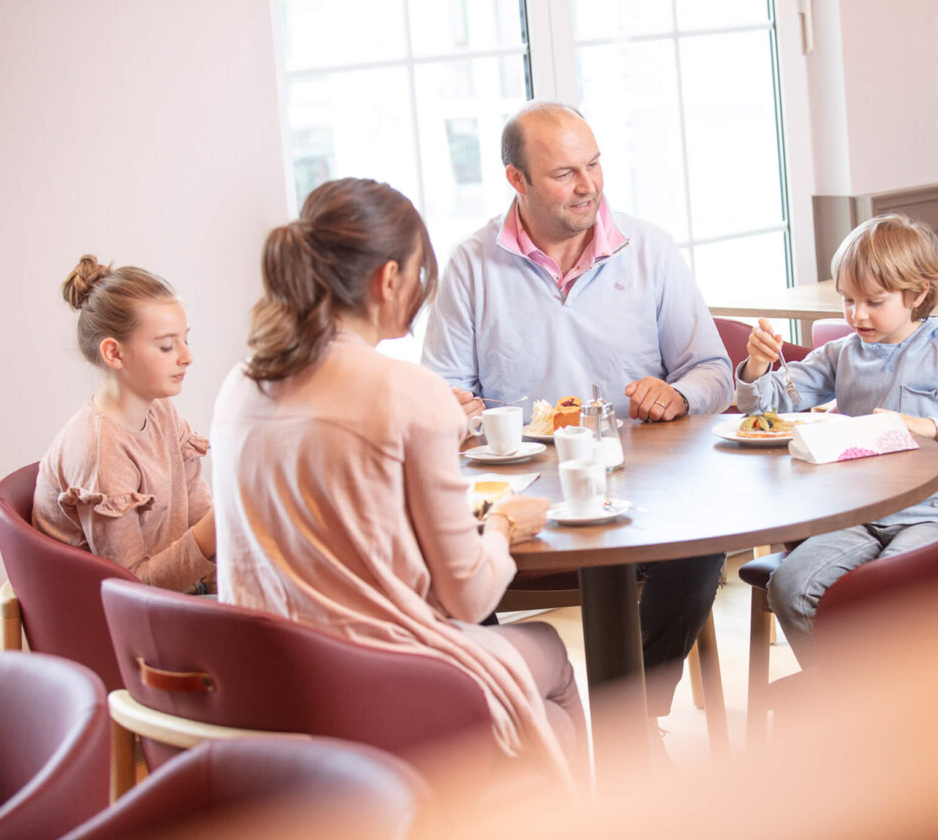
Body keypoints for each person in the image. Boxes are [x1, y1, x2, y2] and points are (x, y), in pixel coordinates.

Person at [210, 178, 583, 784]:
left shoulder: (240, 384)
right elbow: (469, 597)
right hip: (378, 688)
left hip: (266, 692)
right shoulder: (406, 392)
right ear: (388, 279)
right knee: (552, 660)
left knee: (550, 725)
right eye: (416, 277)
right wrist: (504, 526)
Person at [421, 101, 732, 734]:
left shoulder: (651, 249)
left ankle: (632, 726)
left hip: (641, 492)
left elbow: (713, 370)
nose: (588, 185)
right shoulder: (471, 265)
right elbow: (441, 392)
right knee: (438, 555)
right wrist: (450, 408)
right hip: (520, 498)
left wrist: (680, 395)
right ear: (518, 180)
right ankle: (518, 725)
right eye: (564, 173)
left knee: (702, 548)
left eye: (593, 165)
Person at [736, 213, 938, 663]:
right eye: (847, 299)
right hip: (858, 513)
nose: (856, 314)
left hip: (935, 513)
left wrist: (927, 426)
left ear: (917, 294)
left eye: (873, 301)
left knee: (888, 595)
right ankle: (852, 703)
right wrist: (755, 365)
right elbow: (766, 407)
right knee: (790, 585)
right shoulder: (842, 352)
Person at [33, 256, 216, 594]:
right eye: (166, 345)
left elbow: (200, 515)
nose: (186, 356)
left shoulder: (162, 411)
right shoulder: (99, 451)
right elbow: (133, 590)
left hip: (178, 594)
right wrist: (220, 527)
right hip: (119, 623)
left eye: (185, 340)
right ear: (115, 354)